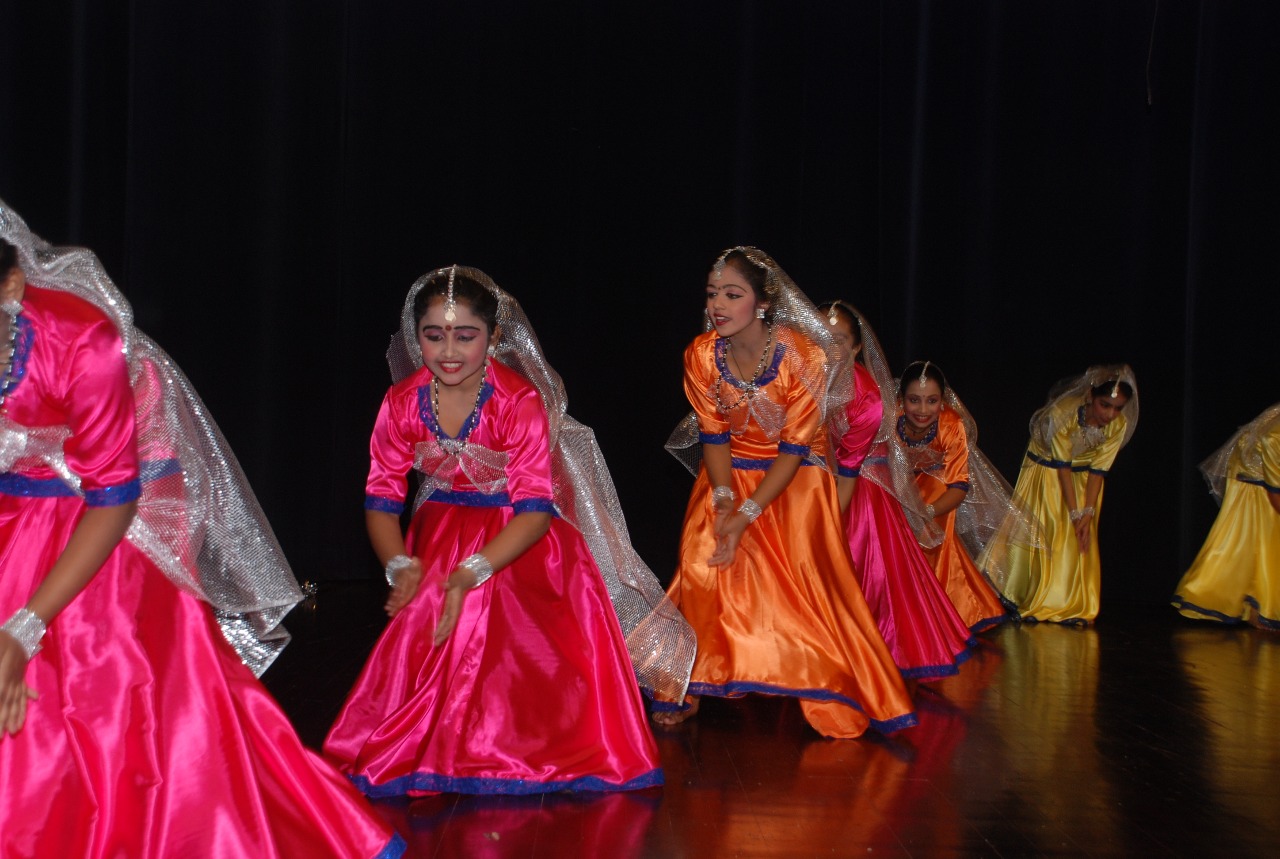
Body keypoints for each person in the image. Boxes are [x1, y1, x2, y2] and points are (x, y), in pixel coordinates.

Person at [0, 206, 403, 857]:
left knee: (109, 681)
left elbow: (112, 499)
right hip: (12, 514)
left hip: (107, 518)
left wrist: (25, 626)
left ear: (13, 287)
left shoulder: (81, 342)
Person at [325, 265, 692, 796]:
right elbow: (382, 501)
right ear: (415, 336)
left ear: (493, 337)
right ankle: (438, 741)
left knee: (481, 612)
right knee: (431, 613)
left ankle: (501, 744)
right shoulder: (402, 401)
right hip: (443, 529)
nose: (449, 351)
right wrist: (399, 564)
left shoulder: (517, 400)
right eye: (434, 335)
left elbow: (535, 511)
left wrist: (470, 572)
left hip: (521, 538)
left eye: (465, 335)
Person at [660, 247, 916, 738]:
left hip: (795, 477)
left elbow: (796, 448)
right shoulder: (701, 354)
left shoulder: (805, 356)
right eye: (713, 294)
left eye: (732, 294)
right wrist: (724, 501)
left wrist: (748, 513)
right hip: (729, 472)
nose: (718, 305)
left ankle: (828, 684)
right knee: (702, 563)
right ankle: (691, 683)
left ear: (762, 303)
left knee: (798, 583)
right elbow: (714, 435)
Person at [820, 301, 974, 679]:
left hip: (863, 492)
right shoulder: (812, 378)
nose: (827, 347)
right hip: (831, 482)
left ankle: (860, 649)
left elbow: (851, 466)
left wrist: (828, 518)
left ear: (857, 348)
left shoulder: (867, 395)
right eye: (819, 337)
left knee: (861, 568)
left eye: (838, 340)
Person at [984, 365, 1138, 624]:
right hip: (1049, 472)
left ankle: (1070, 601)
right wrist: (1075, 513)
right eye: (1104, 405)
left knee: (1080, 535)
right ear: (1090, 396)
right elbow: (1062, 467)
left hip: (1085, 478)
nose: (1110, 414)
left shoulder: (1118, 425)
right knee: (1050, 529)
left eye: (1117, 408)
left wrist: (1087, 513)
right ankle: (1028, 592)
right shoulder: (1063, 414)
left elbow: (1098, 472)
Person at [896, 361, 1012, 633]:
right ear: (901, 399)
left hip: (937, 490)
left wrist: (926, 511)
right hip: (897, 484)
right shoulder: (890, 418)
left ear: (942, 401)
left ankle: (934, 606)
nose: (922, 410)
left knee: (932, 518)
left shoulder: (951, 424)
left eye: (932, 401)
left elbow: (958, 486)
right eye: (914, 400)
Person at [1172, 403, 1280, 630]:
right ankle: (1255, 607)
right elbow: (1274, 492)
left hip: (1268, 472)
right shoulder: (1275, 438)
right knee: (1253, 541)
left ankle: (1260, 607)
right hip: (1250, 476)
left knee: (1268, 543)